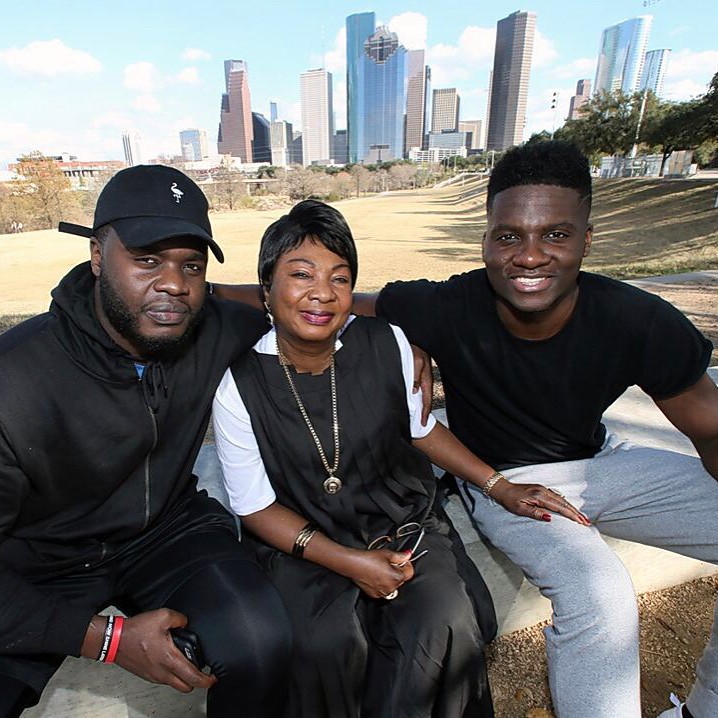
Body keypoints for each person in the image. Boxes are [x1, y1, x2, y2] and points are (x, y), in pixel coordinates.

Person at [351, 141, 718, 718]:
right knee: (599, 593)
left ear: (586, 241)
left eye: (555, 234)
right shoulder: (449, 304)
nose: (530, 256)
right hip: (501, 480)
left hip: (600, 463)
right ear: (487, 239)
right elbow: (319, 304)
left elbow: (712, 430)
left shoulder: (636, 320)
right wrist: (401, 341)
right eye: (509, 236)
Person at [211, 199, 590, 718]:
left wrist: (498, 485)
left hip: (401, 524)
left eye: (340, 279)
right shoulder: (238, 386)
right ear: (267, 292)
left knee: (443, 620)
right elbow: (254, 509)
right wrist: (349, 562)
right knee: (321, 643)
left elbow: (422, 431)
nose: (323, 293)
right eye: (301, 275)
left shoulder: (387, 342)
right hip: (303, 541)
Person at [0, 164, 291, 718]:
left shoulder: (205, 324)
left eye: (192, 266)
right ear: (95, 257)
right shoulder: (16, 381)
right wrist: (105, 639)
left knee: (260, 640)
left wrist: (396, 340)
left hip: (166, 530)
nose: (174, 285)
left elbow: (301, 305)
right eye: (148, 260)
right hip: (42, 558)